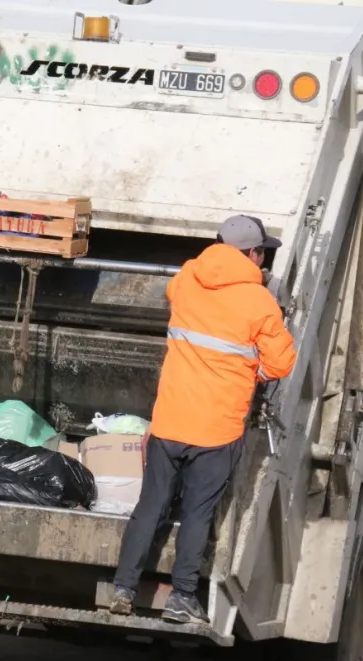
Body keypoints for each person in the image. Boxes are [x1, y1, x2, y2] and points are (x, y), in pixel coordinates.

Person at [108, 214, 297, 624]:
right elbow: (280, 365)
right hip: (217, 429)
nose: (263, 261)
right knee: (197, 513)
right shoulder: (259, 302)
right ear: (253, 253)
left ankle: (123, 588)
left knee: (150, 506)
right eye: (262, 253)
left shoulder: (188, 279)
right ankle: (181, 597)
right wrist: (251, 370)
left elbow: (176, 295)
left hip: (170, 421)